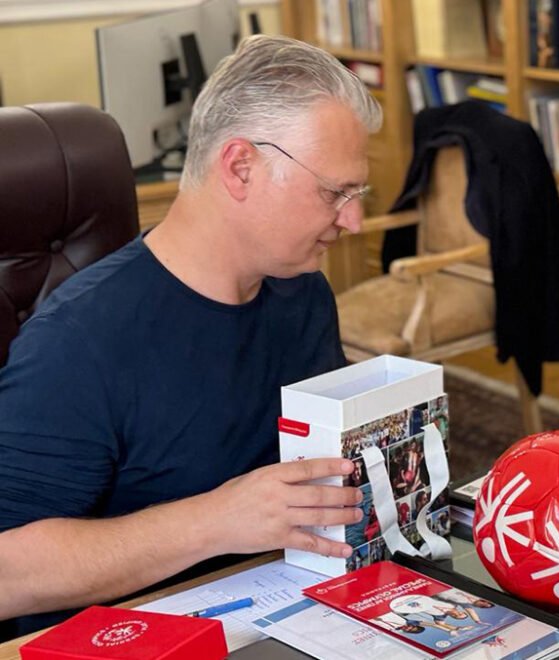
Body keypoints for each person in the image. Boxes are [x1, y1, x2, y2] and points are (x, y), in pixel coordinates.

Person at [0, 34, 381, 636]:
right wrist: (217, 521)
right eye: (335, 193)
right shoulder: (76, 343)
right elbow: (6, 575)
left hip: (287, 613)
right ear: (240, 168)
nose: (353, 219)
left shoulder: (300, 291)